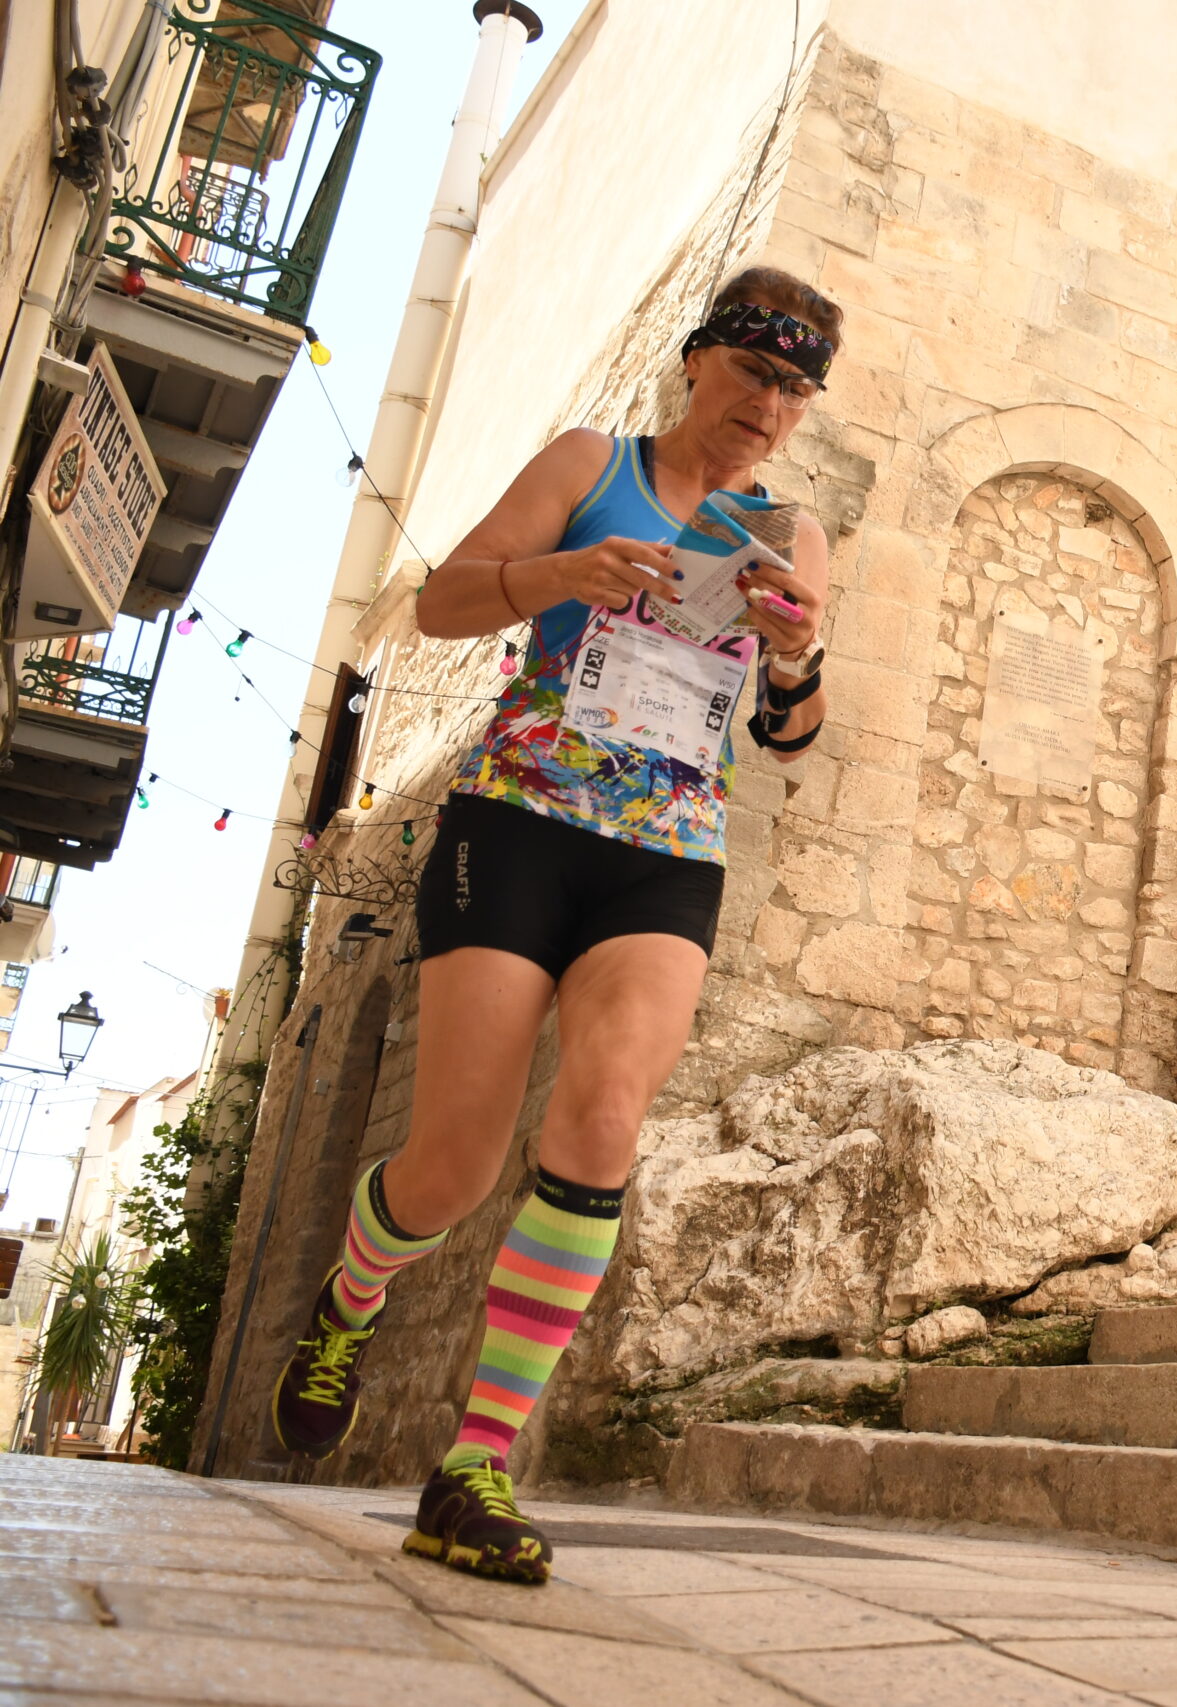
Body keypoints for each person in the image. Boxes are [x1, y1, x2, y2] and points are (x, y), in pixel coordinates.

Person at [264, 267, 839, 1584]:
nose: (768, 405)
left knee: (599, 1122)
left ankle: (473, 1470)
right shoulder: (595, 461)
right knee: (455, 1161)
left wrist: (796, 657)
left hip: (667, 852)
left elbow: (794, 736)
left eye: (795, 388)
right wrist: (568, 568)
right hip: (518, 822)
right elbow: (440, 602)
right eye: (753, 371)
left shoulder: (791, 534)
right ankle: (353, 1295)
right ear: (700, 362)